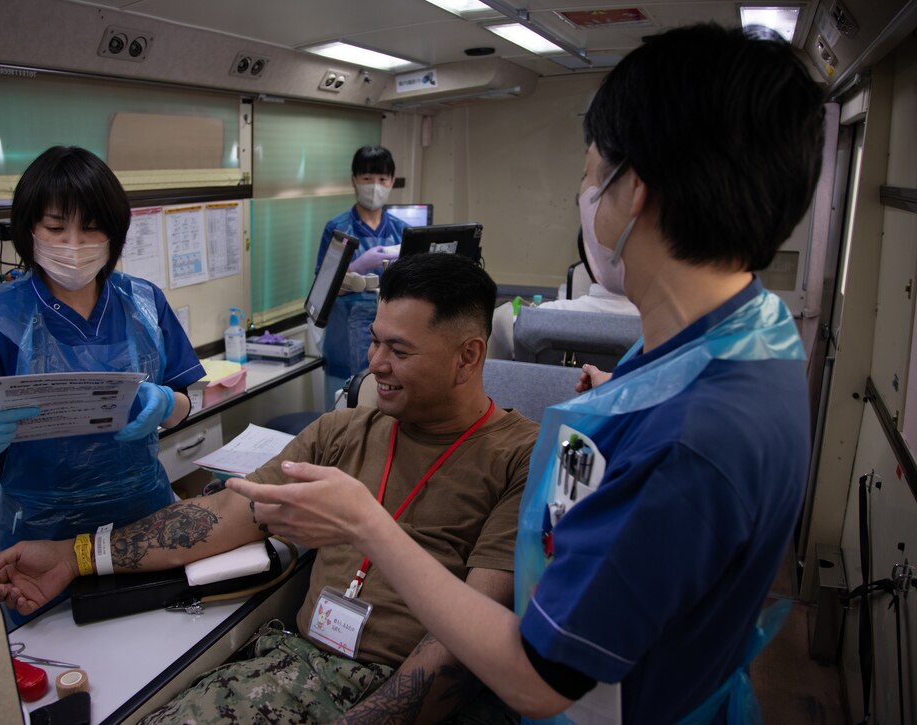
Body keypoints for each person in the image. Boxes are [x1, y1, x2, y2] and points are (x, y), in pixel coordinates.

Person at [229, 23, 824, 724]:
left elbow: (537, 678)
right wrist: (621, 403)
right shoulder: (745, 335)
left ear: (637, 189)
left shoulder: (689, 438)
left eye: (589, 175)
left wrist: (369, 523)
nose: (587, 196)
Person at [0, 252, 539, 722]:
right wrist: (73, 555)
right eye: (374, 342)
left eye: (399, 351)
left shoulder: (519, 457)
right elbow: (223, 515)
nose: (374, 364)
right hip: (289, 660)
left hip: (387, 690)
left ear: (468, 356)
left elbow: (476, 633)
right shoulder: (343, 431)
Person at [0, 146, 205, 598]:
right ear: (29, 229)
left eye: (91, 228)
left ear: (114, 233)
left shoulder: (144, 303)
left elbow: (182, 404)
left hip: (140, 526)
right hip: (38, 539)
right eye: (56, 228)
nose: (73, 246)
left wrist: (163, 403)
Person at [316, 145, 409, 404]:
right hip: (344, 339)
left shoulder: (404, 231)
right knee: (342, 414)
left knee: (384, 414)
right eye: (367, 179)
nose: (375, 186)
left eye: (382, 179)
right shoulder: (338, 228)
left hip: (392, 336)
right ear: (354, 180)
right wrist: (357, 267)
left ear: (391, 181)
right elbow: (322, 291)